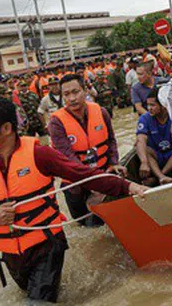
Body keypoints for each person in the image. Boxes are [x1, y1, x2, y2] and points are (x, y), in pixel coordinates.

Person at [0, 98, 148, 303]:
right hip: (10, 253)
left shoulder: (40, 155)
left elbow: (83, 174)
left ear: (6, 128)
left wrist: (128, 187)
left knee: (38, 301)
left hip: (46, 246)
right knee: (32, 294)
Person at [49, 74, 127, 227]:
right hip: (76, 184)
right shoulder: (56, 123)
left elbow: (111, 141)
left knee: (114, 220)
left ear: (85, 91)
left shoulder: (101, 112)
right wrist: (95, 184)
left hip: (102, 173)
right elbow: (69, 158)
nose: (72, 98)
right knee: (85, 226)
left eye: (75, 92)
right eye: (66, 94)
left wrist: (113, 162)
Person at [136, 88, 172, 186]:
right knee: (144, 149)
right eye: (148, 105)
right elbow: (141, 140)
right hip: (156, 156)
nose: (149, 108)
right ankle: (161, 177)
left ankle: (160, 177)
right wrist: (143, 162)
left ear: (163, 106)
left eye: (153, 105)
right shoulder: (145, 118)